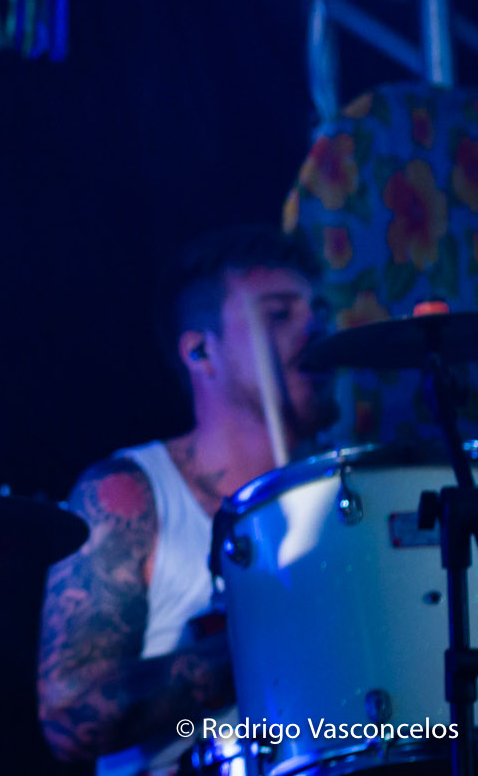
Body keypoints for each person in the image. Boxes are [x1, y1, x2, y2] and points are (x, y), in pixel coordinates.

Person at [36, 226, 332, 773]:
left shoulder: (346, 493)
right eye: (279, 314)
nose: (315, 328)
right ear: (201, 351)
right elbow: (68, 717)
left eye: (320, 311)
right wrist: (263, 641)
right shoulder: (129, 492)